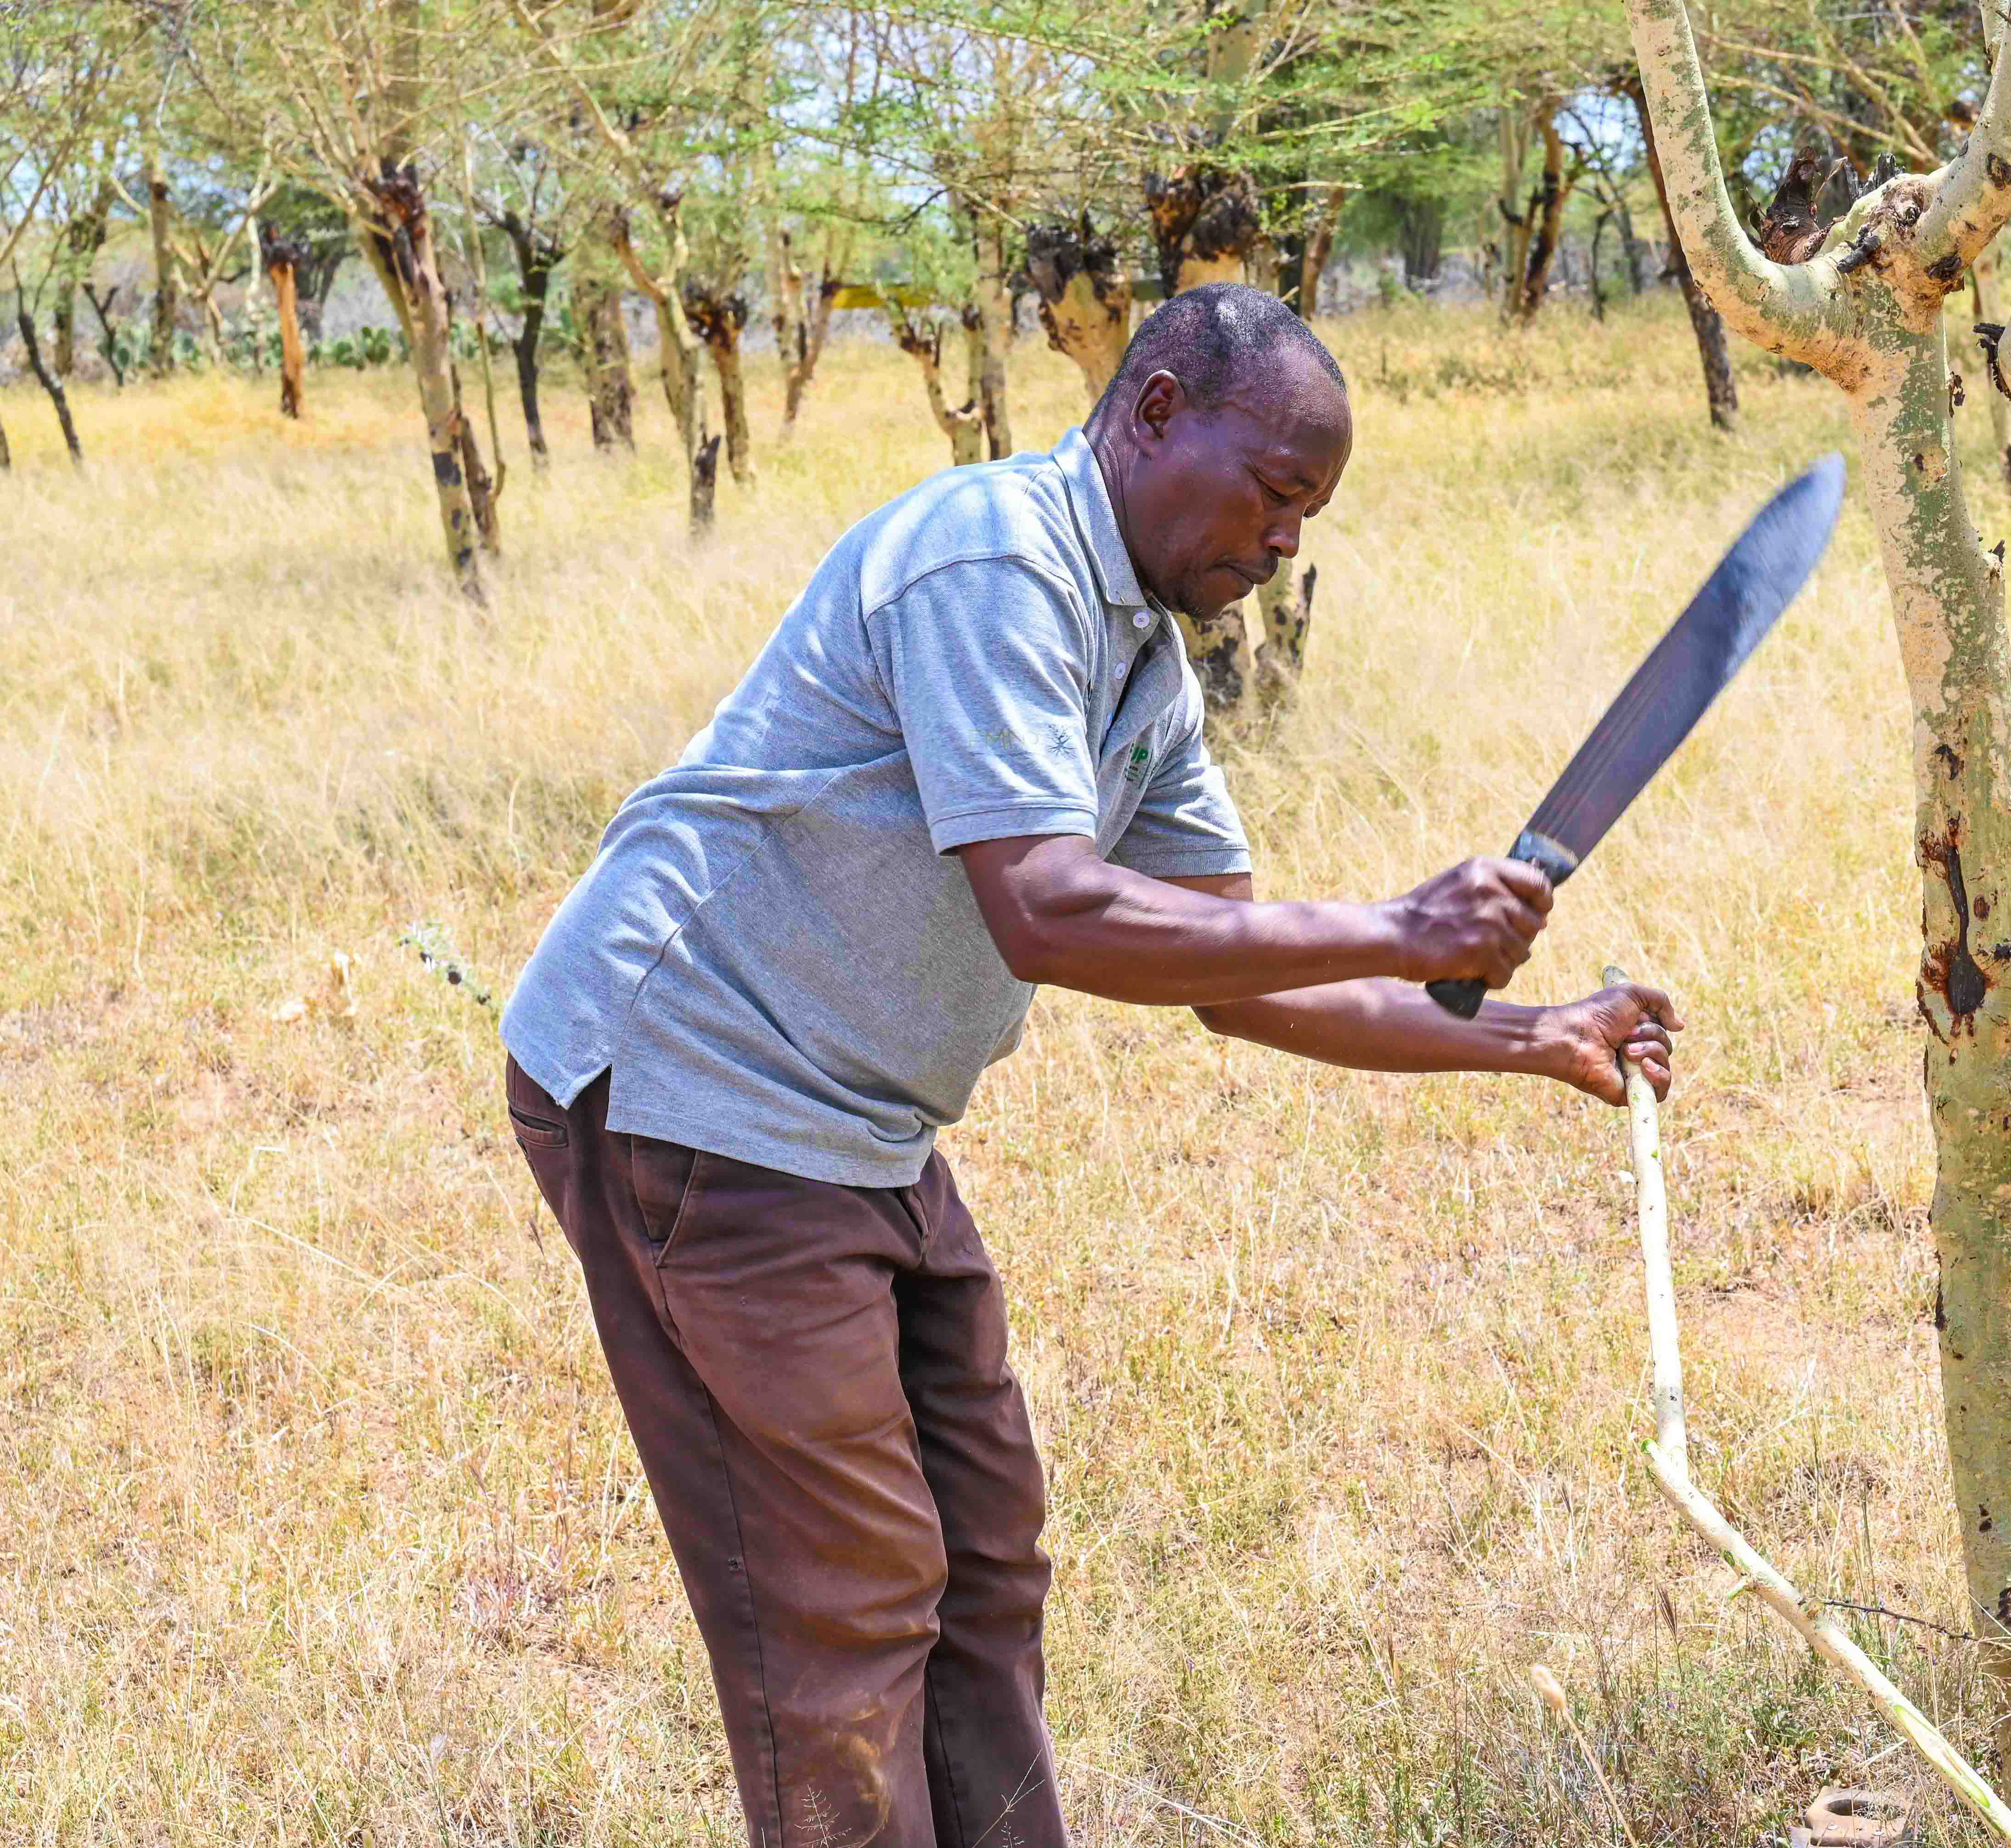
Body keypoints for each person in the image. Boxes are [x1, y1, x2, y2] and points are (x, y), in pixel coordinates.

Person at [498, 282, 1679, 1848]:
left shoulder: (1147, 673)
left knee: (982, 1557)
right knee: (844, 1598)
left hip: (858, 1125)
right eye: (1272, 495)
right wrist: (1402, 922)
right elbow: (1048, 908)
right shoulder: (994, 562)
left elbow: (1242, 979)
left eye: (1308, 515)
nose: (1283, 546)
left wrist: (1535, 1037)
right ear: (1157, 412)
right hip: (693, 1099)